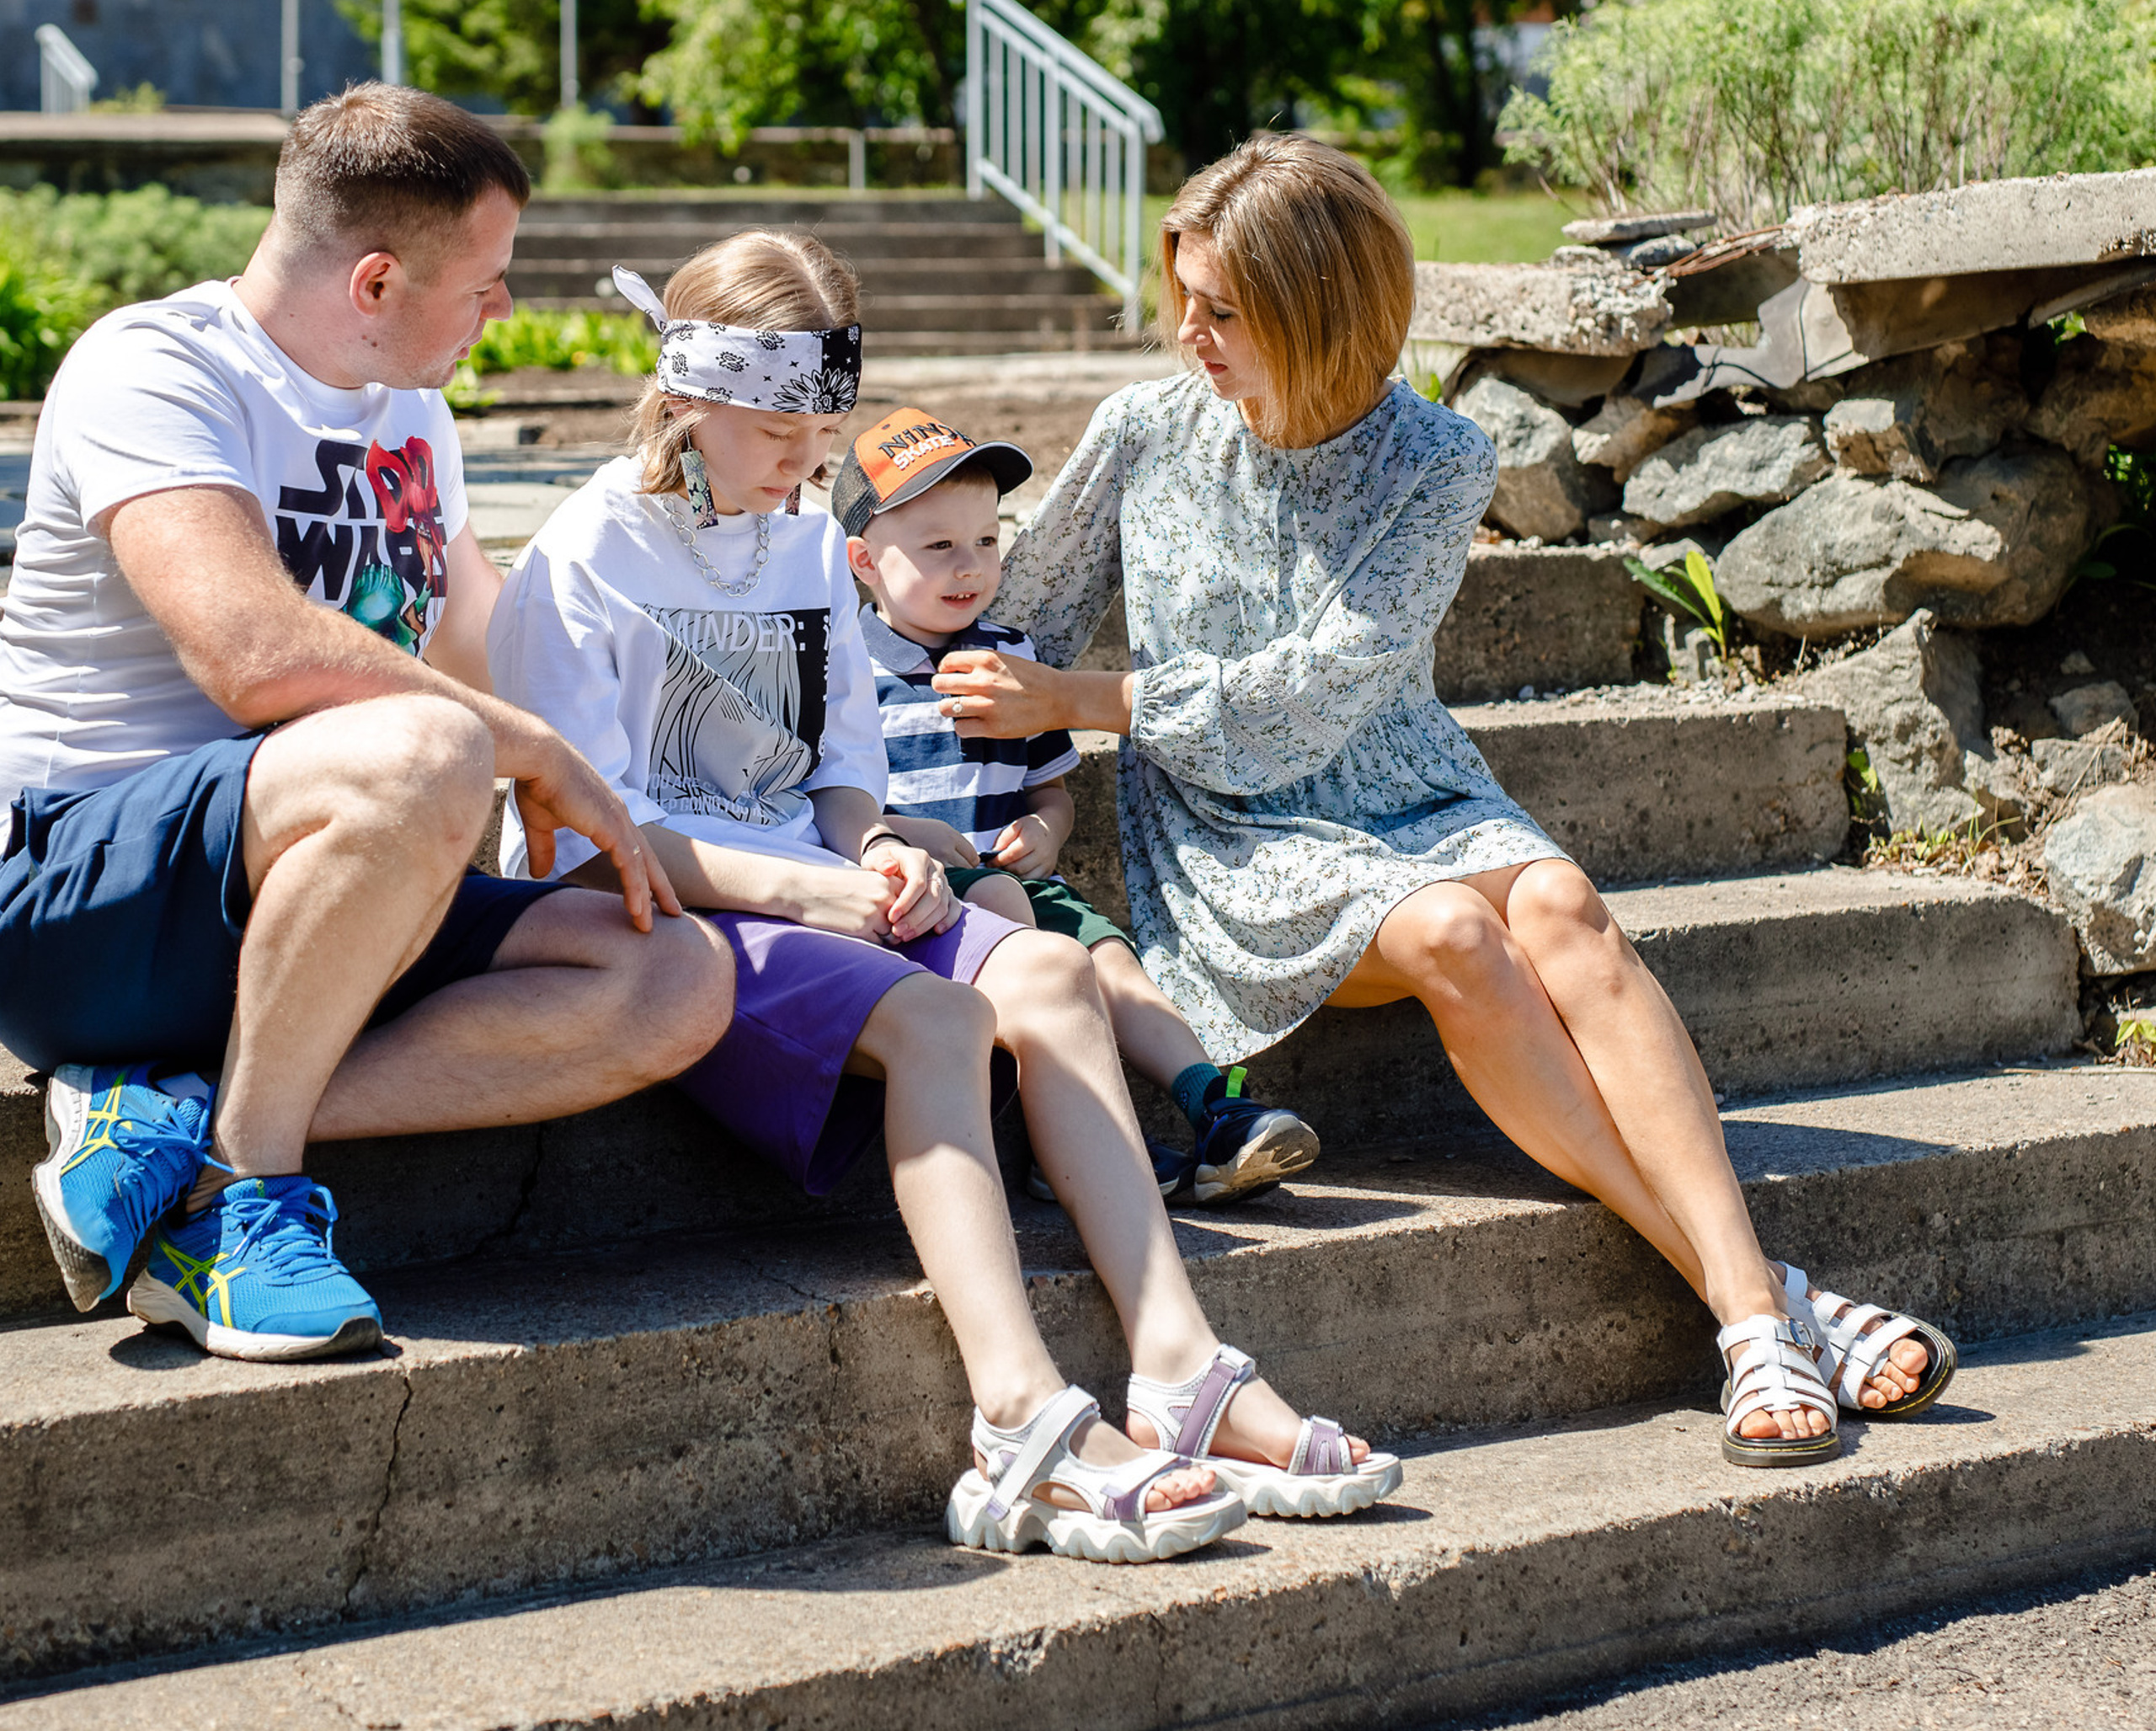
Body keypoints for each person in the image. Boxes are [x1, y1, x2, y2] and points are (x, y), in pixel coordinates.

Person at [931, 131, 1959, 1470]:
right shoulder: (1145, 432)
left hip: (1411, 789)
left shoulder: (1438, 457)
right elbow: (1012, 615)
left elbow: (1323, 688)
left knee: (1563, 904)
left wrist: (1082, 700)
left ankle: (1757, 1313)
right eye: (1184, 299)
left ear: (1319, 309)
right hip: (1236, 830)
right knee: (1459, 933)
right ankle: (1764, 1307)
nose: (1188, 334)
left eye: (1222, 312)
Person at [485, 232, 1401, 1559]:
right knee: (943, 1018)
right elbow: (585, 839)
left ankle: (1179, 1366)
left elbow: (839, 778)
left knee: (1052, 969)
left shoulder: (805, 539)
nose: (806, 463)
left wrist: (873, 850)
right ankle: (1016, 1416)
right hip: (669, 914)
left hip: (811, 889)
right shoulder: (586, 553)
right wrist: (810, 893)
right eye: (779, 432)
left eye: (823, 432)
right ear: (685, 398)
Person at [0, 84, 734, 1364]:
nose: (503, 309)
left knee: (674, 977)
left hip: (334, 889)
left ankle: (177, 1116)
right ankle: (240, 1200)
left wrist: (699, 628)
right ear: (377, 282)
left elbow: (482, 644)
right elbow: (252, 653)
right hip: (83, 896)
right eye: (486, 283)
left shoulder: (412, 412)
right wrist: (524, 747)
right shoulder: (154, 367)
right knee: (433, 746)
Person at [835, 404, 1321, 1206]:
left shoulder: (1012, 657)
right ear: (864, 561)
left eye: (986, 541)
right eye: (939, 547)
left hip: (1020, 886)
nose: (969, 567)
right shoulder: (847, 670)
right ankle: (1093, 1141)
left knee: (1110, 962)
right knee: (1030, 946)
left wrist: (1045, 830)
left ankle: (1216, 1103)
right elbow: (827, 801)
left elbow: (1050, 789)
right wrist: (898, 831)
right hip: (917, 902)